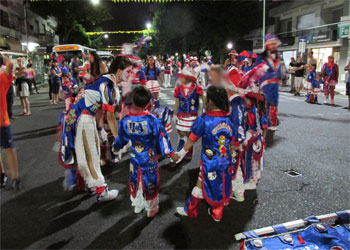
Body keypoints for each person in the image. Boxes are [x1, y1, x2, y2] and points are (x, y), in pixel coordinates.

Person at [60, 56, 131, 202]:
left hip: (77, 119)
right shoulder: (108, 85)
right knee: (92, 155)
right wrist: (119, 139)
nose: (130, 75)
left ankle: (93, 185)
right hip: (83, 119)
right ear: (118, 71)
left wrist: (100, 129)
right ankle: (101, 190)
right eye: (128, 71)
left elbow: (100, 109)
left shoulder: (104, 82)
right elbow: (110, 117)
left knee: (86, 156)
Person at [113, 85, 176, 217]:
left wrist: (116, 147)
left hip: (135, 157)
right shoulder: (152, 120)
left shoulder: (126, 121)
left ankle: (137, 204)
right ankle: (151, 208)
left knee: (135, 180)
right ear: (149, 103)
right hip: (149, 158)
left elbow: (121, 139)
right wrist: (169, 152)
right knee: (151, 181)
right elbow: (162, 137)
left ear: (133, 102)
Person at [175, 85, 234, 222]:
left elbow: (191, 141)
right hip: (225, 160)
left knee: (200, 183)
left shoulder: (204, 120)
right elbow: (234, 140)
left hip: (209, 160)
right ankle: (217, 213)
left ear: (211, 101)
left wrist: (180, 154)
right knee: (221, 183)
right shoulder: (230, 118)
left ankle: (191, 210)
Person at [173, 66, 205, 160]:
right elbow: (177, 102)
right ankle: (182, 149)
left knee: (189, 134)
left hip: (192, 114)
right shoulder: (178, 88)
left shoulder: (197, 87)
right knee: (182, 133)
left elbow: (204, 99)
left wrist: (205, 111)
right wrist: (174, 114)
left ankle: (187, 153)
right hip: (181, 114)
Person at [254, 33, 283, 130]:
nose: (273, 46)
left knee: (274, 103)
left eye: (274, 44)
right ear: (267, 45)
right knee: (267, 103)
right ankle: (265, 123)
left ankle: (272, 123)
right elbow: (256, 69)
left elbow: (279, 70)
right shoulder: (262, 57)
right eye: (271, 44)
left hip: (275, 84)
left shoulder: (278, 57)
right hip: (265, 83)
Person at [0, 55, 20, 189]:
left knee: (9, 148)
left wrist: (6, 59)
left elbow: (10, 67)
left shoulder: (2, 79)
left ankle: (14, 175)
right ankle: (3, 174)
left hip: (2, 121)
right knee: (8, 149)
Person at [242, 92, 267, 191]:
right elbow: (264, 128)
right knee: (256, 160)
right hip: (258, 139)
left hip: (252, 139)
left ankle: (250, 180)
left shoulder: (251, 112)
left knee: (250, 160)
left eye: (246, 100)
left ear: (250, 101)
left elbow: (250, 127)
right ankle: (256, 176)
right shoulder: (258, 111)